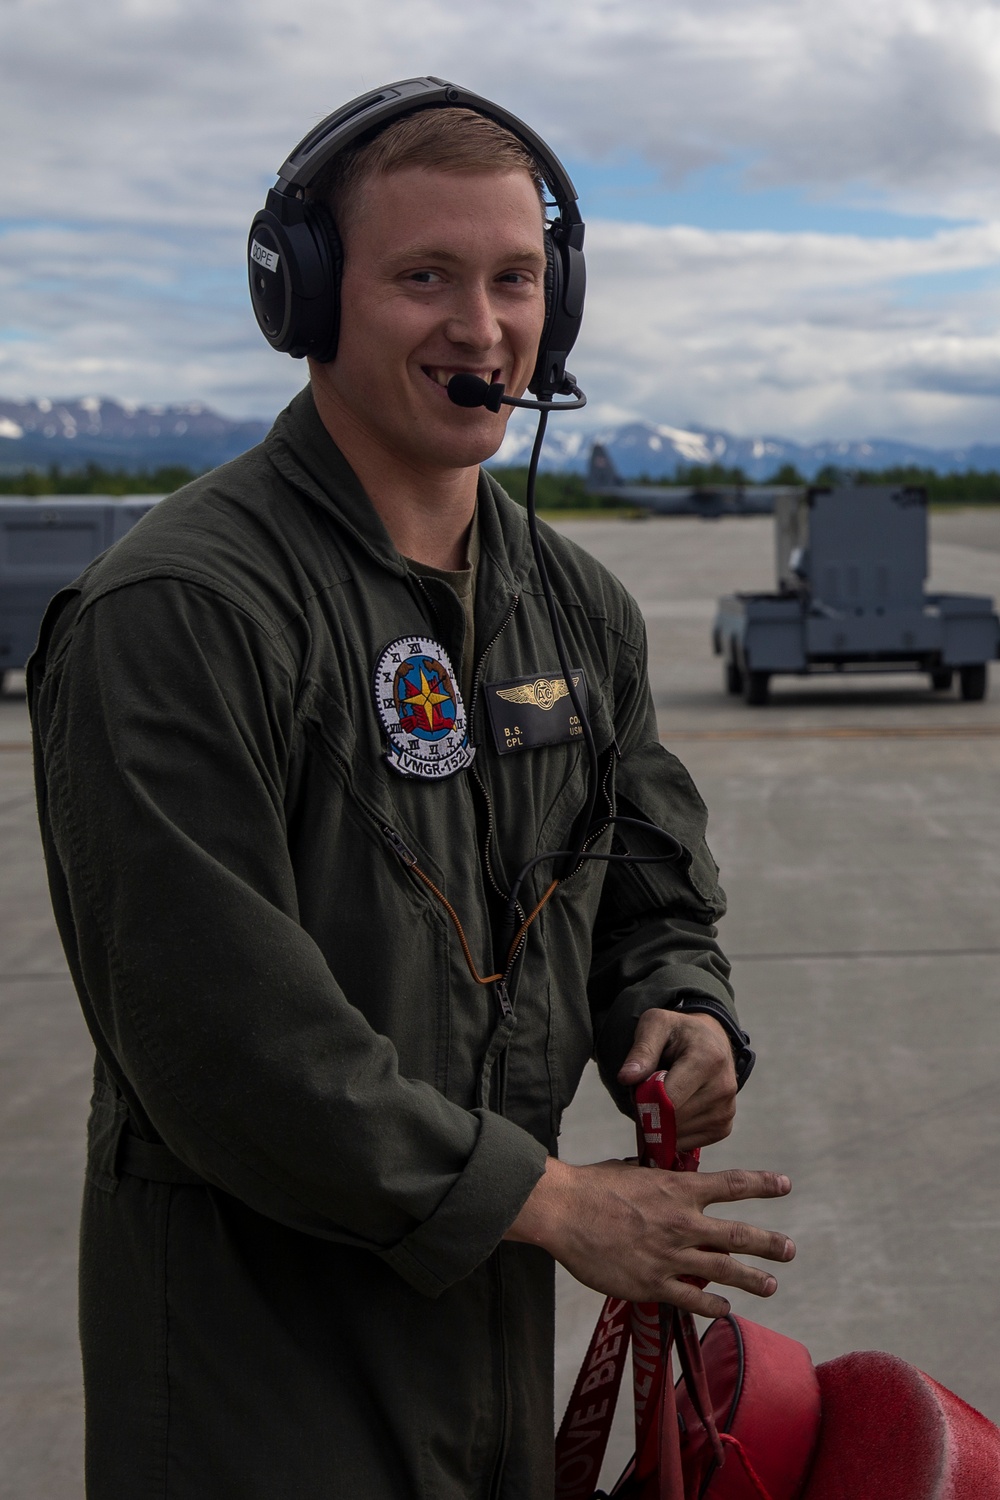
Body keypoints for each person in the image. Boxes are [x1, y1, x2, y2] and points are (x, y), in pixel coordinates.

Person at [30, 83, 794, 1499]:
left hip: (489, 1342)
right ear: (309, 300)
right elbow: (219, 1042)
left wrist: (677, 1001)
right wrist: (555, 1200)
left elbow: (643, 875)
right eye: (423, 277)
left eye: (514, 281)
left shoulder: (573, 605)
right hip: (257, 1362)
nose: (480, 326)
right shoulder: (183, 611)